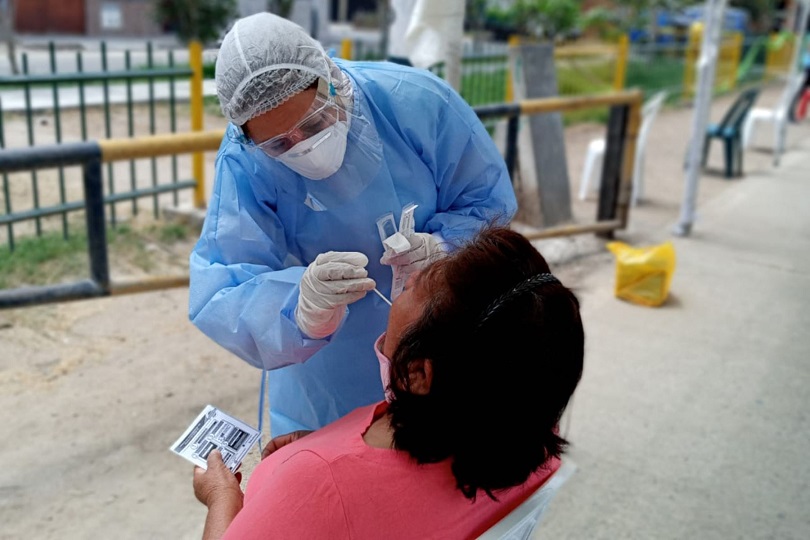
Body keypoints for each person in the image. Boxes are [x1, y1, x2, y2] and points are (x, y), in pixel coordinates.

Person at [188, 12, 518, 437]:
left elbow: (486, 201)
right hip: (325, 372)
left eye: (313, 122)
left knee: (437, 457)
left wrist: (445, 248)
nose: (304, 147)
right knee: (332, 479)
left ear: (331, 80)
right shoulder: (245, 161)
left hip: (435, 329)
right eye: (279, 144)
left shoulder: (414, 102)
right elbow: (224, 282)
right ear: (250, 139)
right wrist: (300, 308)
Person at [192, 225, 585, 539]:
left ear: (417, 375)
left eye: (414, 286)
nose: (406, 283)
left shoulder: (316, 484)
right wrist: (327, 448)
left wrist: (222, 498)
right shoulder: (527, 431)